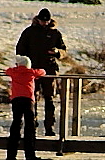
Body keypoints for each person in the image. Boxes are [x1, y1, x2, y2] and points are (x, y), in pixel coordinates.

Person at [15, 8, 67, 136]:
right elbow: (20, 49)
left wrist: (57, 52)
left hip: (49, 70)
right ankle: (32, 125)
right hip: (32, 71)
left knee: (49, 99)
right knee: (32, 99)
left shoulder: (55, 33)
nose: (44, 23)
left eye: (47, 21)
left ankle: (50, 127)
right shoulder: (29, 32)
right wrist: (23, 65)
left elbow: (63, 50)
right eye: (42, 20)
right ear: (37, 19)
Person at [4, 55, 47, 160]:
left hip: (16, 100)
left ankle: (11, 154)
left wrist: (15, 68)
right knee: (30, 126)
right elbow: (43, 72)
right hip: (28, 100)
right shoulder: (31, 72)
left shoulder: (14, 72)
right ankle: (30, 154)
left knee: (16, 124)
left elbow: (7, 71)